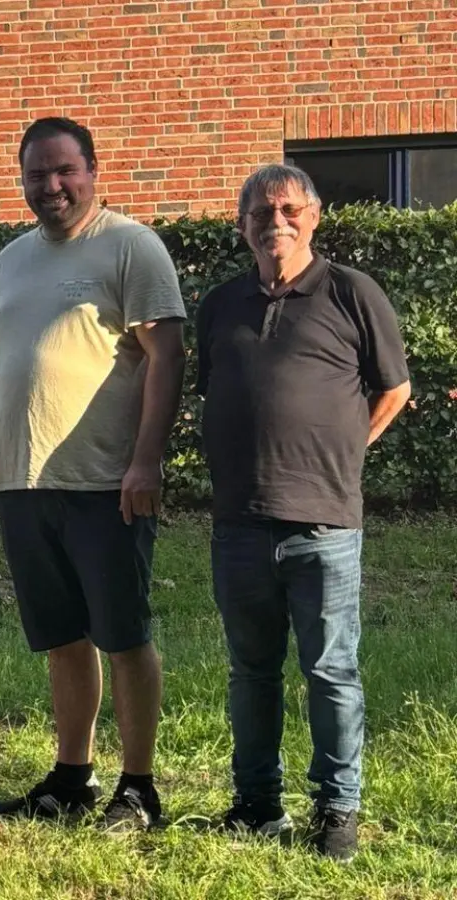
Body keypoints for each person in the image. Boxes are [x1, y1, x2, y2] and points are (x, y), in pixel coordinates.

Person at [0, 117, 187, 831]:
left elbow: (166, 358)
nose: (51, 186)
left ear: (92, 170)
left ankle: (138, 789)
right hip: (25, 482)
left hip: (106, 482)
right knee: (62, 637)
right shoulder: (12, 259)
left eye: (64, 171)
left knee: (124, 635)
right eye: (36, 175)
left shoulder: (131, 247)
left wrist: (147, 460)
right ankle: (73, 776)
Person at [196, 164, 410, 861]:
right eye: (260, 212)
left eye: (289, 208)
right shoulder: (220, 304)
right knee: (250, 672)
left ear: (314, 217)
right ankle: (256, 803)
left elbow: (395, 389)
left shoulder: (352, 292)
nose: (275, 220)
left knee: (330, 671)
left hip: (324, 522)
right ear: (242, 226)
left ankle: (336, 809)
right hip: (239, 523)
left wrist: (347, 450)